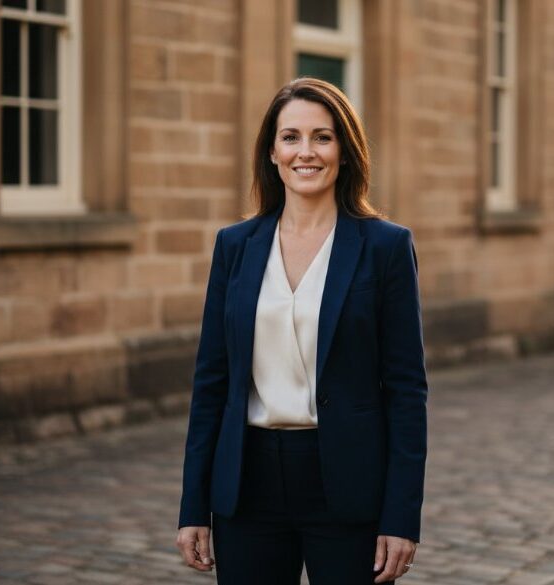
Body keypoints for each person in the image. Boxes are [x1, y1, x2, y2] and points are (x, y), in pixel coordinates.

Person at [175, 77, 428, 585]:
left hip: (348, 483)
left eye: (322, 137)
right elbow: (212, 385)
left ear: (345, 151)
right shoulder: (235, 246)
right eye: (290, 137)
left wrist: (401, 517)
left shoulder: (385, 247)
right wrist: (193, 506)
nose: (305, 152)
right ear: (272, 152)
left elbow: (406, 392)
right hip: (247, 485)